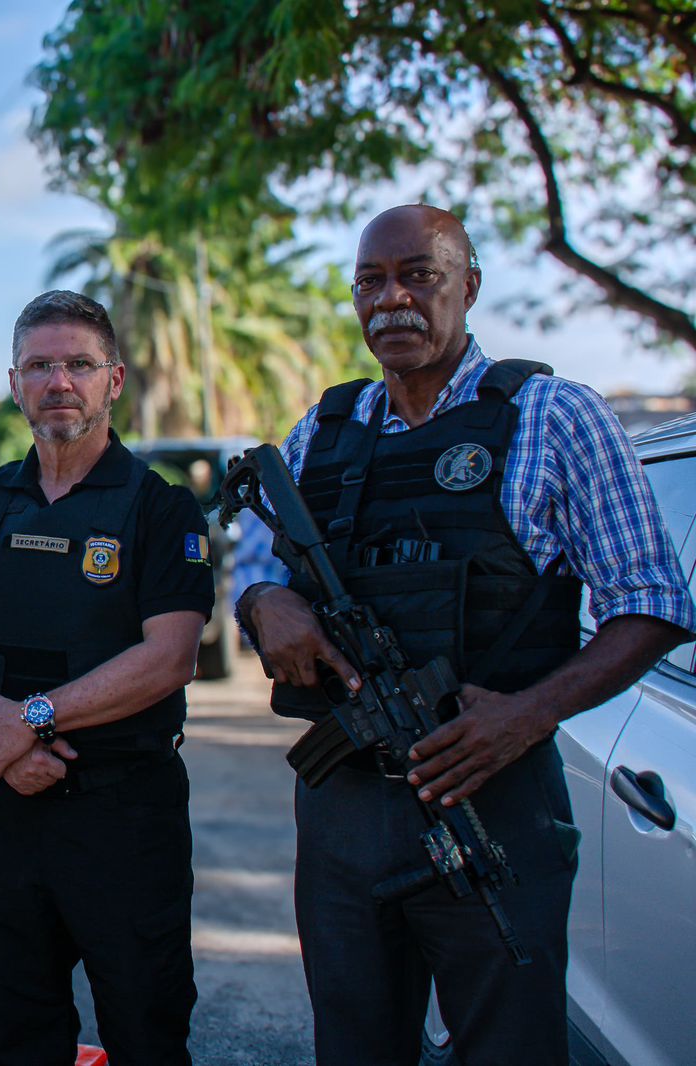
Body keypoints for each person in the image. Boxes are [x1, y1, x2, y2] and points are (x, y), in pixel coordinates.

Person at [235, 204, 696, 1064]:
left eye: (420, 275)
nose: (393, 299)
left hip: (492, 791)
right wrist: (265, 603)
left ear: (469, 287)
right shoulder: (322, 433)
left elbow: (653, 601)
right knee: (354, 1046)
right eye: (371, 282)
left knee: (506, 1047)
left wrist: (527, 714)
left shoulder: (554, 418)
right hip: (344, 808)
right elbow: (251, 569)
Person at [0, 290, 214, 1065]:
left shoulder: (160, 509)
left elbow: (169, 656)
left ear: (114, 380)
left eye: (79, 365)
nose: (60, 382)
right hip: (7, 815)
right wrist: (5, 746)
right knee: (18, 1037)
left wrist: (32, 718)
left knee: (147, 1034)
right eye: (40, 365)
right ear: (15, 383)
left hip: (125, 819)